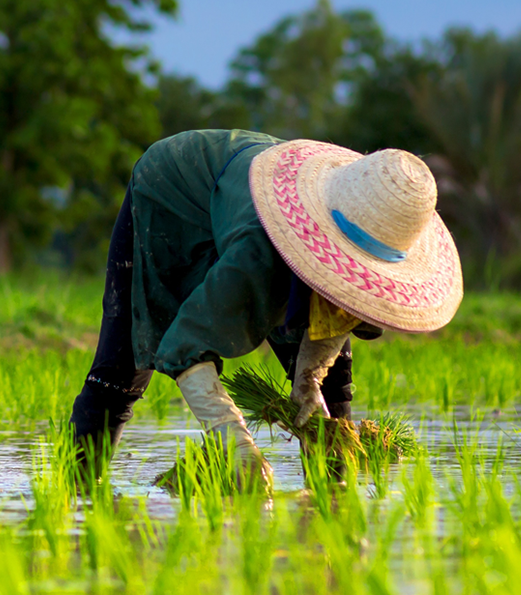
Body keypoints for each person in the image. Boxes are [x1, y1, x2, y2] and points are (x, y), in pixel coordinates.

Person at [70, 129, 464, 486]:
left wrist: (309, 380)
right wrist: (234, 441)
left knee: (332, 392)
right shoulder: (258, 251)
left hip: (243, 192)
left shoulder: (377, 233)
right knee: (124, 366)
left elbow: (335, 320)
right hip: (175, 193)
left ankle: (333, 503)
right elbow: (183, 346)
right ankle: (78, 493)